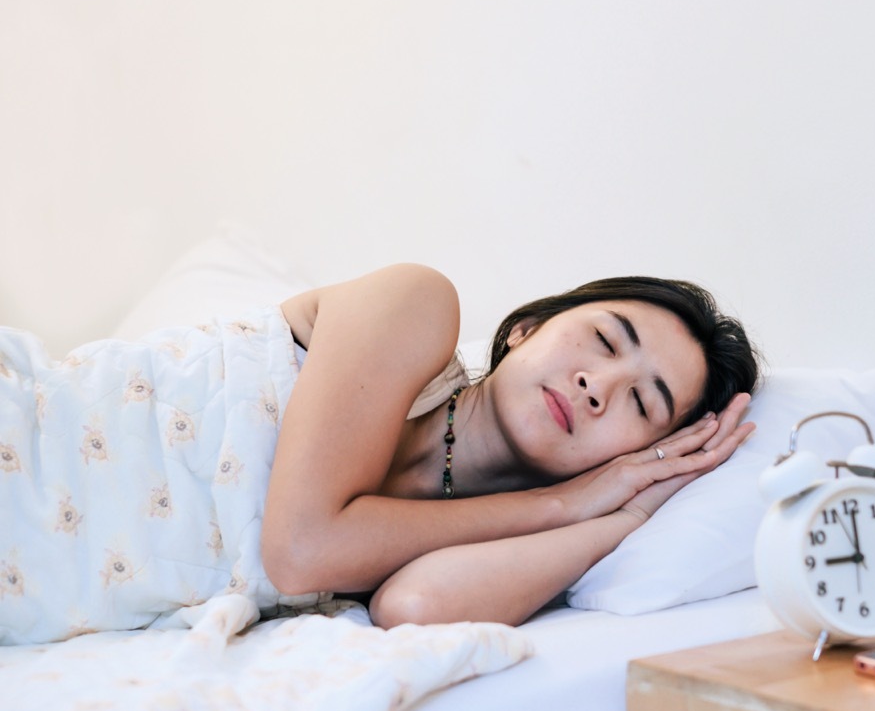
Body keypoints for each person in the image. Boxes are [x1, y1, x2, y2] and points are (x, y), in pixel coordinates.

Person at [0, 264, 758, 644]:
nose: (600, 386)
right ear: (527, 328)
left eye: (643, 404)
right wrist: (565, 501)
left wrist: (623, 516)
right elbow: (303, 552)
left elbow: (416, 608)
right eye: (603, 340)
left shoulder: (492, 530)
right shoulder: (415, 307)